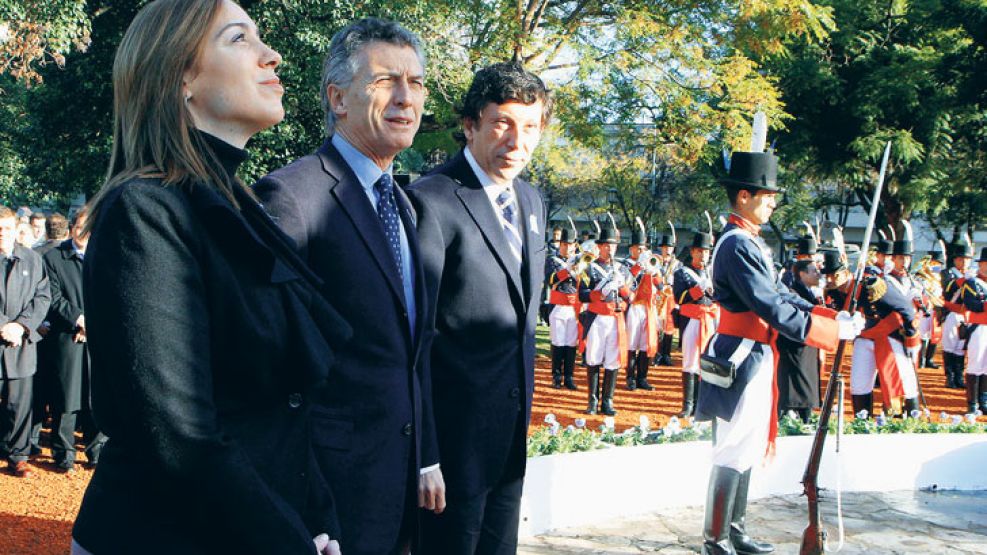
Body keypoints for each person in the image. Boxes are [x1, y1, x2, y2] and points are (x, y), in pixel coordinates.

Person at [71, 2, 348, 553]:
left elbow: (281, 407)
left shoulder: (236, 207)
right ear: (181, 78)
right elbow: (178, 434)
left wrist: (317, 518)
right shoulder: (146, 212)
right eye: (239, 39)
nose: (272, 56)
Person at [254, 17, 441, 555]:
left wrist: (425, 455)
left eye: (417, 82)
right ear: (338, 97)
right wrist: (297, 501)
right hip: (330, 491)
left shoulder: (402, 202)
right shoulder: (292, 197)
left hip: (402, 483)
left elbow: (412, 349)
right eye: (386, 81)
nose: (407, 98)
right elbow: (273, 367)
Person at [407, 61, 549, 554]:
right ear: (471, 125)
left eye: (530, 127)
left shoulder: (531, 201)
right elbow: (416, 337)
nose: (517, 141)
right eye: (502, 124)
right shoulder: (431, 200)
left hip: (509, 436)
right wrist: (425, 456)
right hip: (452, 444)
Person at [695, 148, 851, 555]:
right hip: (741, 351)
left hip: (754, 351)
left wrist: (828, 315)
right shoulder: (737, 245)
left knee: (745, 444)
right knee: (733, 445)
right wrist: (828, 331)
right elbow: (769, 305)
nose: (772, 203)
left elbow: (782, 294)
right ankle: (716, 540)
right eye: (766, 195)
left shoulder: (748, 241)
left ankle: (735, 530)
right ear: (744, 196)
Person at [41, 207, 107, 472]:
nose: (86, 232)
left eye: (90, 226)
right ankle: (63, 453)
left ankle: (95, 450)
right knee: (65, 398)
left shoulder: (103, 256)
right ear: (71, 228)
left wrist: (93, 323)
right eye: (81, 226)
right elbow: (54, 297)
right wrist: (78, 319)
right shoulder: (53, 257)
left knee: (95, 395)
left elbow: (110, 294)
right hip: (66, 336)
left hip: (95, 336)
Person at [0, 206, 50, 478]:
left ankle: (17, 456)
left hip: (22, 343)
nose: (2, 234)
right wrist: (3, 326)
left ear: (15, 230)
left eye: (6, 228)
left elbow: (43, 297)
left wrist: (21, 326)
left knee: (19, 403)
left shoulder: (31, 259)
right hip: (1, 338)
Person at [578, 224, 632, 415]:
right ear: (599, 247)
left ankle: (607, 401)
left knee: (612, 360)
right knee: (593, 358)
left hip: (615, 319)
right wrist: (600, 292)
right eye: (606, 245)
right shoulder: (589, 268)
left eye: (613, 245)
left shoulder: (623, 269)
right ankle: (592, 401)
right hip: (597, 319)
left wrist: (622, 286)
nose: (610, 249)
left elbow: (629, 297)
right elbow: (582, 295)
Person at [673, 230, 716, 418]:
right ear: (692, 252)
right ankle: (688, 405)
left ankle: (702, 403)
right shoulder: (682, 273)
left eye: (706, 252)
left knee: (707, 361)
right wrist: (698, 290)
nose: (703, 255)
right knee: (690, 361)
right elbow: (680, 298)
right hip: (691, 319)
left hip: (709, 319)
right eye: (699, 251)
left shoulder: (713, 273)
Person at [777, 259, 825, 423]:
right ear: (802, 274)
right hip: (795, 346)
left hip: (808, 344)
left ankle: (805, 416)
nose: (818, 274)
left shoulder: (811, 292)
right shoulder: (794, 291)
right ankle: (792, 418)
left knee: (807, 386)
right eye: (813, 271)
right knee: (795, 388)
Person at [625, 226, 662, 390]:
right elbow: (625, 282)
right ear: (631, 249)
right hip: (634, 306)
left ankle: (643, 377)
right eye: (638, 248)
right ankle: (630, 377)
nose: (641, 251)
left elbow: (661, 285)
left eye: (643, 248)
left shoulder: (650, 264)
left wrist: (653, 272)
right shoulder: (625, 264)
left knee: (646, 343)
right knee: (632, 344)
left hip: (648, 307)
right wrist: (638, 267)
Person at [545, 227, 581, 390]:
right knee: (558, 342)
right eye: (564, 244)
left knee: (571, 343)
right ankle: (556, 376)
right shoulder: (552, 260)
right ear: (560, 245)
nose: (567, 247)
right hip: (558, 305)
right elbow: (550, 280)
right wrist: (567, 270)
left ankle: (569, 376)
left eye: (570, 245)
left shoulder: (580, 262)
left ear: (575, 246)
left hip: (573, 307)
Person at [941, 236, 974, 390]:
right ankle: (950, 377)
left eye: (967, 260)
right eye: (961, 259)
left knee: (961, 346)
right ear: (955, 260)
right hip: (952, 313)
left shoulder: (972, 276)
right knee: (949, 345)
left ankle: (959, 376)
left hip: (966, 314)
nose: (964, 263)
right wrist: (964, 281)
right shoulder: (948, 273)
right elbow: (949, 289)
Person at [961, 248, 987, 413]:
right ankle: (972, 403)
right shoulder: (972, 283)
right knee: (975, 363)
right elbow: (970, 304)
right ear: (981, 264)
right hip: (978, 327)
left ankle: (984, 399)